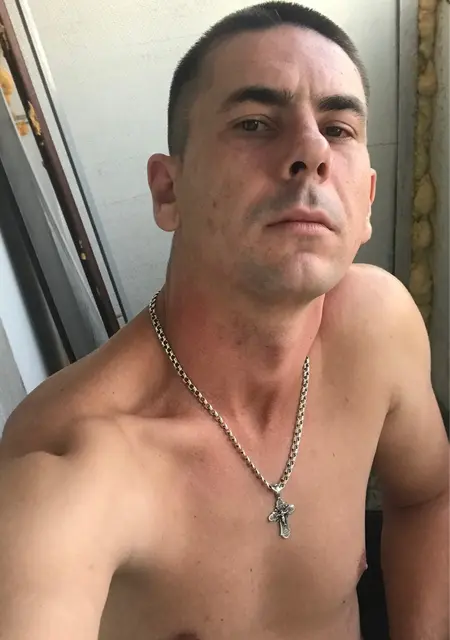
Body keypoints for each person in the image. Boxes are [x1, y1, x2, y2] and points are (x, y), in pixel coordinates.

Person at [0, 2, 448, 639]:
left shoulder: (379, 330)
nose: (313, 151)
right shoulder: (70, 465)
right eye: (255, 123)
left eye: (339, 128)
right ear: (168, 191)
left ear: (367, 202)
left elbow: (429, 494)